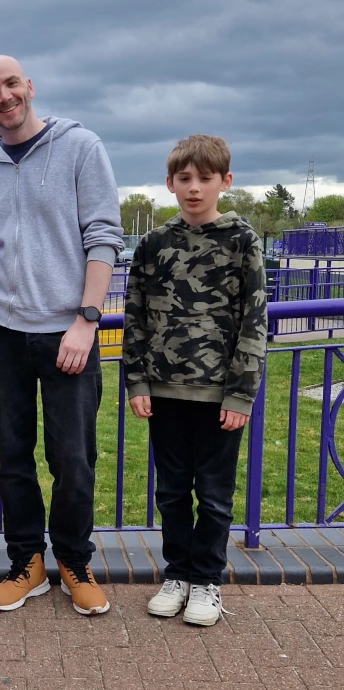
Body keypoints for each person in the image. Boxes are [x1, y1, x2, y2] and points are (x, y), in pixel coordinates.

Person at [0, 55, 123, 616]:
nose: (3, 96)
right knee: (12, 457)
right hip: (0, 333)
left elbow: (104, 236)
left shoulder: (81, 148)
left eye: (11, 84)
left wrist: (86, 319)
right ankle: (27, 562)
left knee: (73, 459)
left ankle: (74, 562)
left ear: (29, 87)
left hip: (67, 331)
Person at [123, 135, 267, 626]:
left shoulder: (242, 241)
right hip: (164, 392)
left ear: (225, 182)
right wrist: (137, 383)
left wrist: (241, 393)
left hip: (219, 396)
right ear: (169, 183)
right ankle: (177, 574)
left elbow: (254, 321)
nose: (194, 187)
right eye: (184, 178)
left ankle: (207, 580)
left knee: (213, 493)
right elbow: (135, 319)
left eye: (205, 178)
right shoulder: (152, 245)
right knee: (171, 491)